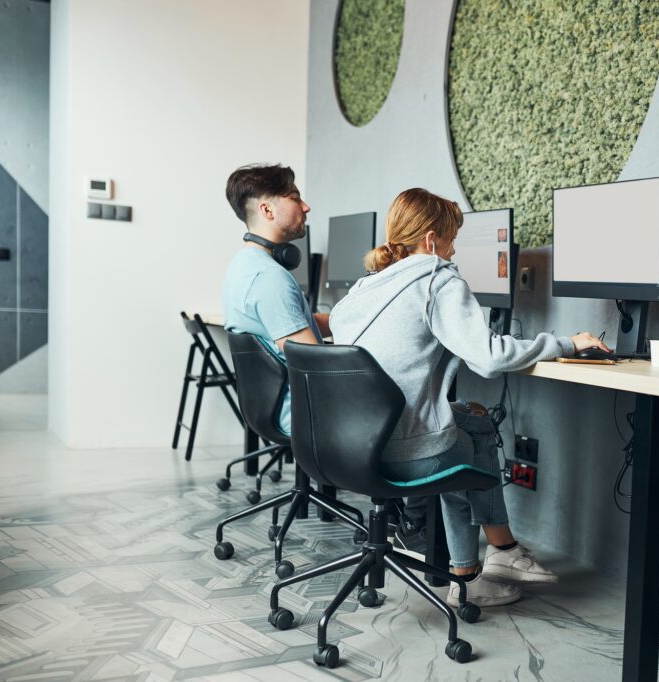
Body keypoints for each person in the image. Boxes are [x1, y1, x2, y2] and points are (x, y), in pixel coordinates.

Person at [329, 188, 610, 607]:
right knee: (468, 438)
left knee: (471, 423)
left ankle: (484, 563)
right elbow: (488, 358)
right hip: (403, 452)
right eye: (451, 239)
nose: (453, 249)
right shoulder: (436, 279)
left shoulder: (359, 291)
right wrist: (566, 343)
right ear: (429, 241)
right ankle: (490, 561)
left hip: (346, 448)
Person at [222, 163, 329, 435]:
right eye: (294, 198)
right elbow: (314, 364)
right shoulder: (270, 279)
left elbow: (289, 327)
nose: (306, 207)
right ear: (267, 210)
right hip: (304, 412)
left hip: (272, 407)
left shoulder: (243, 264)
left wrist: (349, 317)